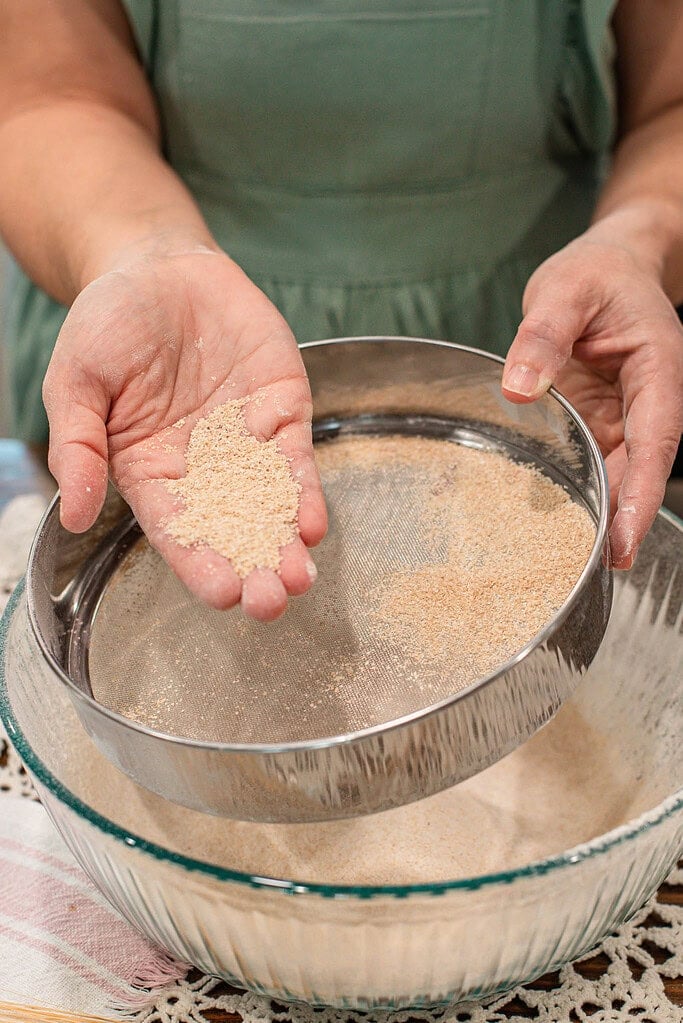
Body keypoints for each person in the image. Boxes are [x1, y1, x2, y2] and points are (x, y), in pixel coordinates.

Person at [0, 1, 681, 621]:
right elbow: (49, 98)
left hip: (528, 355)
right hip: (180, 360)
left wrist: (637, 238)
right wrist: (140, 253)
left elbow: (669, 107)